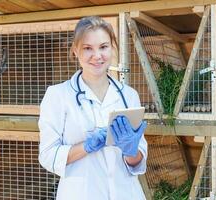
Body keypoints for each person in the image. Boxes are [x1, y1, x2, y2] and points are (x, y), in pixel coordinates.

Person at [38, 16, 148, 200]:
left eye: (103, 47)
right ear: (75, 51)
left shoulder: (129, 95)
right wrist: (86, 147)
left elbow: (137, 162)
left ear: (112, 48)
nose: (97, 56)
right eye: (88, 48)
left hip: (127, 193)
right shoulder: (58, 95)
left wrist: (131, 151)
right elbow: (48, 155)